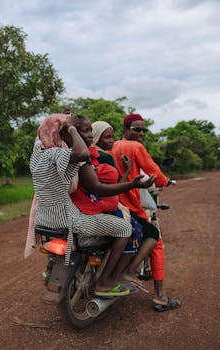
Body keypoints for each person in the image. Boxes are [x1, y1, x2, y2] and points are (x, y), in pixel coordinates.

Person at [30, 112, 155, 298]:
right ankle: (104, 282)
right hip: (68, 218)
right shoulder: (63, 154)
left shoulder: (38, 153)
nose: (88, 135)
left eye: (90, 131)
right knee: (124, 227)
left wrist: (65, 123)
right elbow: (84, 159)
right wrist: (71, 128)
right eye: (83, 131)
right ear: (61, 134)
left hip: (44, 218)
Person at [71, 118, 159, 293]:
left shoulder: (84, 155)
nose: (111, 141)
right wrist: (133, 184)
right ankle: (116, 276)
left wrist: (126, 173)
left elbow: (109, 185)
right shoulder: (96, 157)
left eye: (112, 137)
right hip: (98, 207)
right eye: (107, 137)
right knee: (133, 230)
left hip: (92, 205)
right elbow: (101, 187)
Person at [111, 113, 180, 311]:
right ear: (126, 130)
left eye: (144, 130)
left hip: (111, 203)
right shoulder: (136, 147)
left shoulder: (114, 145)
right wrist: (165, 181)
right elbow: (154, 172)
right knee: (155, 240)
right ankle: (159, 296)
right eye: (137, 129)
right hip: (130, 205)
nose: (141, 133)